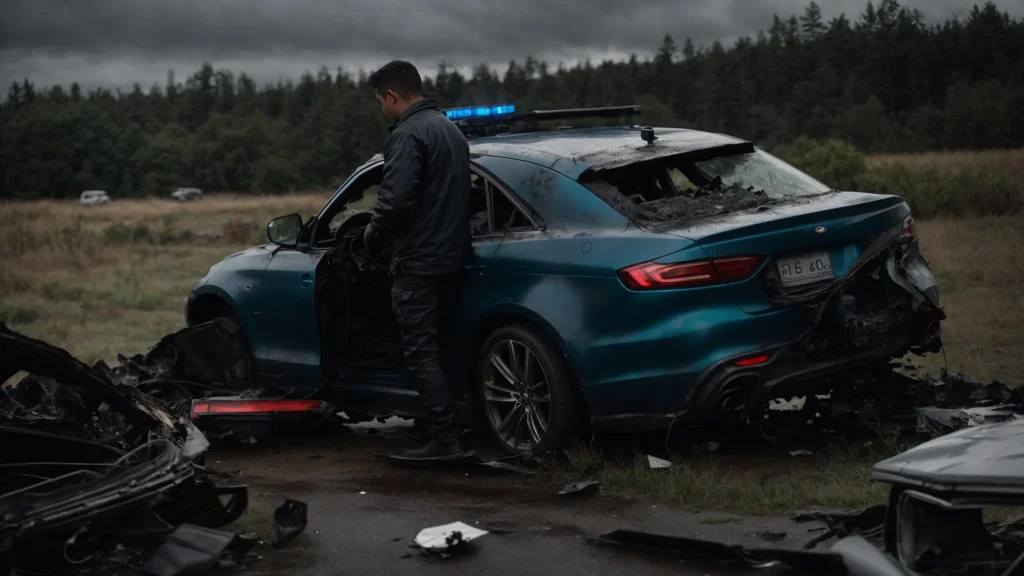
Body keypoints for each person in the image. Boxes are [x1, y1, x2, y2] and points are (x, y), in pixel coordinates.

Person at [363, 61, 471, 460]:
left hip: (418, 262)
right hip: (453, 260)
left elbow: (395, 203)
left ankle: (444, 439)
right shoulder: (450, 129)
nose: (382, 109)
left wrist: (372, 232)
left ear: (392, 95)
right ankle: (447, 425)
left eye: (380, 102)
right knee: (445, 349)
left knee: (421, 352)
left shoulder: (408, 134)